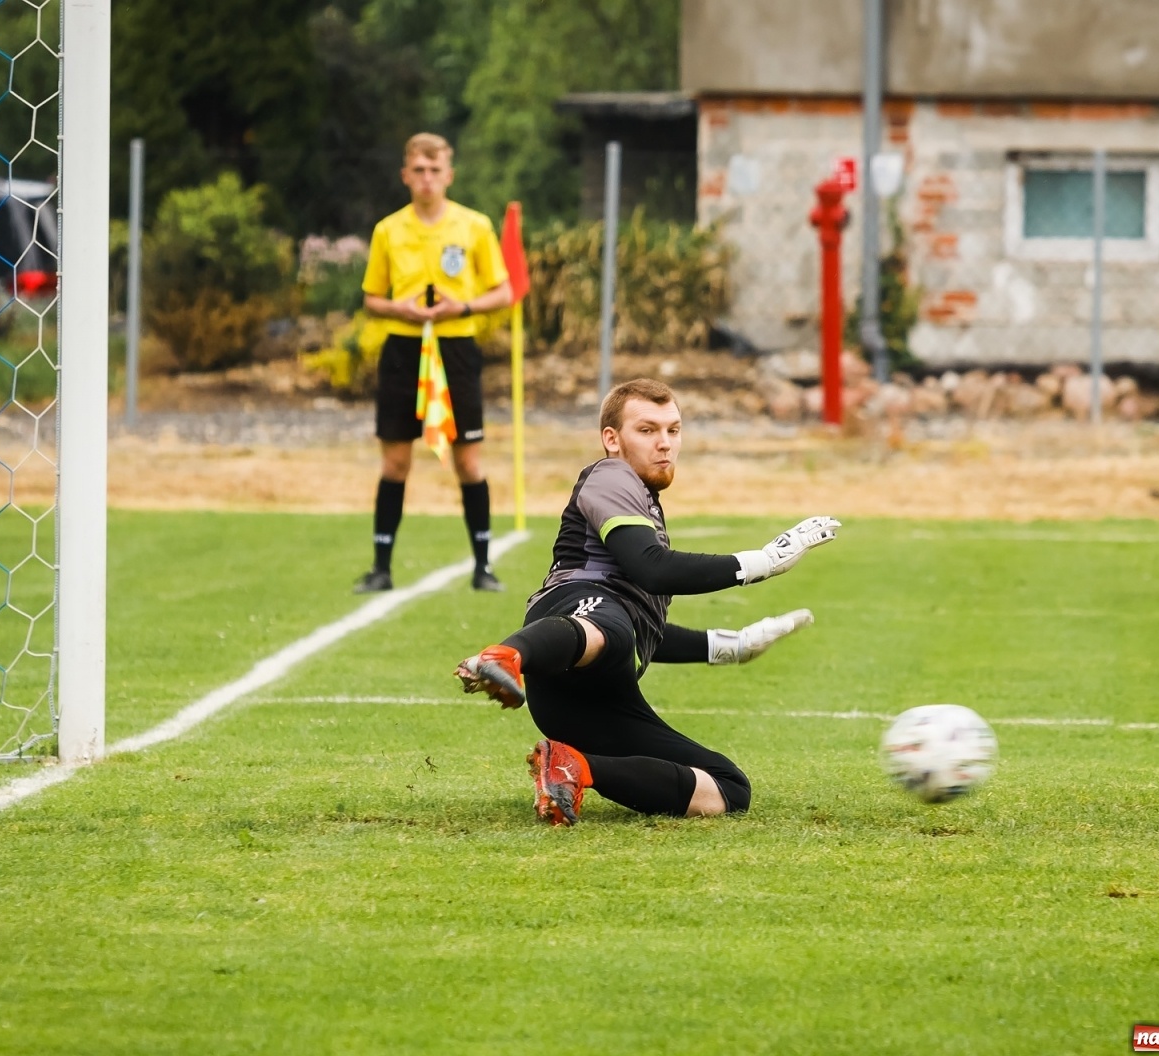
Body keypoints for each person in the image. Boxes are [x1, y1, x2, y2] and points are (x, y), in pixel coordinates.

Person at [455, 378, 840, 824]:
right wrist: (763, 561)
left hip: (589, 696)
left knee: (727, 788)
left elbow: (641, 630)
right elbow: (651, 569)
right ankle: (504, 655)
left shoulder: (644, 503)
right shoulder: (611, 473)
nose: (664, 444)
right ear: (611, 439)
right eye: (648, 430)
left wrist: (726, 646)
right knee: (611, 627)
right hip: (569, 612)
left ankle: (572, 768)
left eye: (673, 431)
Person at [354, 132, 514, 594]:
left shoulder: (473, 226)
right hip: (404, 351)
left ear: (449, 174)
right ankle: (381, 567)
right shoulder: (389, 229)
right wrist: (400, 308)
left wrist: (460, 308)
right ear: (405, 175)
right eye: (418, 171)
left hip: (455, 350)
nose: (426, 179)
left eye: (435, 170)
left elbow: (503, 292)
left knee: (468, 460)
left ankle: (483, 567)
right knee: (396, 461)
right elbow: (370, 299)